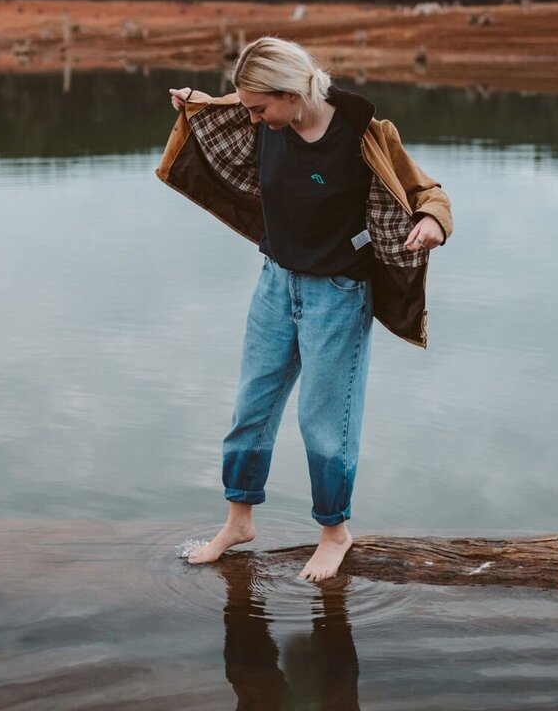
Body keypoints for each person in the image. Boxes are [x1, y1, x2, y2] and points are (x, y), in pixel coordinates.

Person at [158, 36, 451, 582]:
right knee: (252, 405)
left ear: (291, 92)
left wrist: (433, 223)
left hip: (337, 293)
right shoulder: (264, 119)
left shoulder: (363, 134)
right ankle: (239, 520)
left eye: (258, 106)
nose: (250, 117)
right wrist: (197, 104)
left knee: (324, 422)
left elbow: (428, 192)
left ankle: (334, 532)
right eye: (244, 105)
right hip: (275, 283)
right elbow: (227, 113)